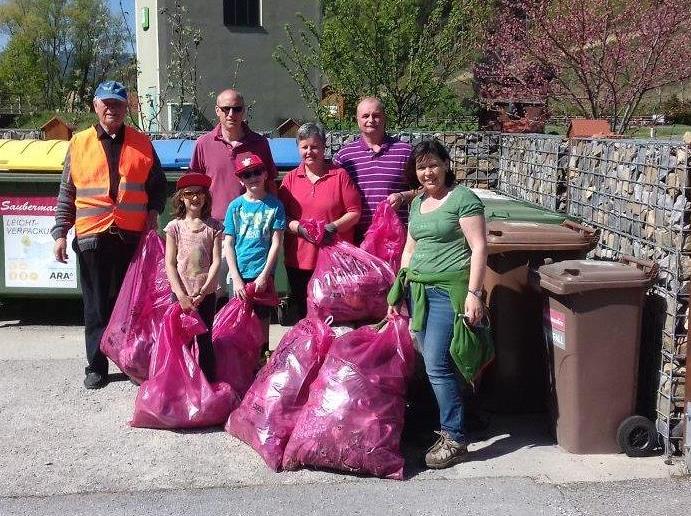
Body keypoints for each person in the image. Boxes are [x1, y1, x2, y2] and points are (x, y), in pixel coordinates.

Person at [51, 80, 167, 389]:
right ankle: (97, 366)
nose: (111, 108)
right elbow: (67, 193)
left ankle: (129, 361)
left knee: (131, 305)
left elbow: (158, 187)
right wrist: (60, 233)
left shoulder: (142, 143)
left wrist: (153, 213)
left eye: (118, 103)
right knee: (96, 306)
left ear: (126, 108)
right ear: (96, 105)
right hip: (92, 238)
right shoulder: (79, 143)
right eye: (106, 103)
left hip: (131, 238)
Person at [386, 140, 492, 469]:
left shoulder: (462, 199)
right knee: (432, 362)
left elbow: (479, 247)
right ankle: (451, 421)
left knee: (436, 363)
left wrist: (474, 294)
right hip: (418, 292)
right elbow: (410, 249)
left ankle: (455, 437)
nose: (428, 172)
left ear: (446, 164)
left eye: (433, 164)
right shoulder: (418, 202)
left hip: (449, 292)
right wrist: (398, 289)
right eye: (421, 167)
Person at [279, 122, 361, 320]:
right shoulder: (290, 179)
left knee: (333, 318)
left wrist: (332, 227)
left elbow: (354, 212)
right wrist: (299, 228)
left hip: (334, 262)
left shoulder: (339, 176)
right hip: (299, 262)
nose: (309, 151)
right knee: (306, 317)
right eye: (304, 147)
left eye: (314, 146)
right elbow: (281, 217)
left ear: (324, 147)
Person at [164, 173, 223, 381]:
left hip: (205, 294)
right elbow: (170, 263)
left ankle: (208, 383)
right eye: (189, 194)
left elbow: (216, 261)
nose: (195, 198)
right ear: (181, 197)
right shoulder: (174, 227)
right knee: (184, 341)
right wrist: (181, 295)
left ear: (206, 196)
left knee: (205, 339)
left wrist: (204, 291)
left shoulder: (214, 227)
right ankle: (183, 382)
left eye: (199, 193)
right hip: (181, 295)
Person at [224, 152, 286, 348]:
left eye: (257, 172)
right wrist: (235, 278)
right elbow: (228, 243)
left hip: (262, 274)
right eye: (247, 174)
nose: (253, 178)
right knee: (238, 323)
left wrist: (264, 276)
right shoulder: (235, 207)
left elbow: (276, 243)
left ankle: (262, 357)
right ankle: (241, 360)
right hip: (239, 274)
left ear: (265, 174)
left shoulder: (275, 206)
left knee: (262, 322)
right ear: (240, 180)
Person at [189, 89, 278, 221]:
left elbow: (270, 183)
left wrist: (275, 217)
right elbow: (194, 187)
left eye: (237, 109)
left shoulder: (260, 143)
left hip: (253, 224)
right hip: (215, 225)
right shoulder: (203, 144)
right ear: (217, 110)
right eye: (226, 109)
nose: (231, 114)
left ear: (243, 111)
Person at [332, 96, 415, 237]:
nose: (371, 120)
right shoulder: (344, 157)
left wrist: (403, 196)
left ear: (384, 118)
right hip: (356, 238)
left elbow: (424, 189)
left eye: (376, 115)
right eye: (365, 116)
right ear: (357, 120)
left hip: (393, 238)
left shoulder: (405, 152)